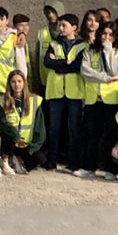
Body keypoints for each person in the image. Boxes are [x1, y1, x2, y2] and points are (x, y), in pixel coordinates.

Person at [79, 22, 118, 178]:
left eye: (110, 35)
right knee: (92, 134)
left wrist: (108, 50)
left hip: (112, 99)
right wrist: (105, 78)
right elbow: (85, 71)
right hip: (94, 99)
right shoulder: (90, 51)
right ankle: (89, 166)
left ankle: (110, 169)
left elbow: (115, 70)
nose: (106, 38)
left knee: (111, 135)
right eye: (104, 34)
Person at [42, 13, 86, 171]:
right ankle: (51, 160)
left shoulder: (82, 45)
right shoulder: (54, 43)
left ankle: (74, 162)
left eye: (64, 25)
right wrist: (64, 62)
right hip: (56, 92)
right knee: (54, 128)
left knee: (74, 129)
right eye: (60, 25)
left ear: (74, 27)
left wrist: (58, 64)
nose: (60, 28)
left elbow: (77, 66)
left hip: (74, 94)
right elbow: (47, 62)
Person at [0, 70, 45, 174]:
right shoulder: (2, 100)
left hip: (25, 143)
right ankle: (5, 160)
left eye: (19, 81)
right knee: (6, 134)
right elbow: (2, 123)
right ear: (9, 84)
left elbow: (40, 128)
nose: (17, 85)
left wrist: (33, 148)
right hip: (11, 140)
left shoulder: (35, 100)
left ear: (24, 83)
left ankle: (17, 159)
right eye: (13, 82)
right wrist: (15, 136)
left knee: (40, 159)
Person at [0, 7, 25, 98]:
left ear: (7, 21)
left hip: (8, 86)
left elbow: (21, 65)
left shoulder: (15, 38)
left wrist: (20, 85)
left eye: (1, 19)